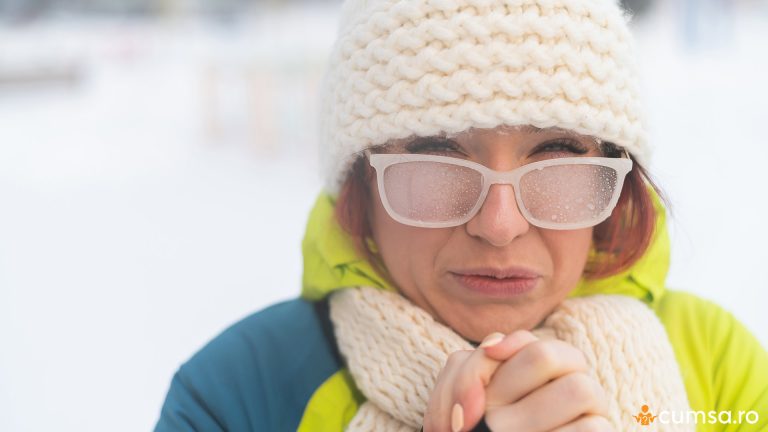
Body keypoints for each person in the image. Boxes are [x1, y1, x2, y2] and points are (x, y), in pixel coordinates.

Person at [154, 0, 768, 430]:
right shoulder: (238, 397)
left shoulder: (717, 366)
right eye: (437, 160)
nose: (499, 224)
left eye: (554, 161)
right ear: (362, 188)